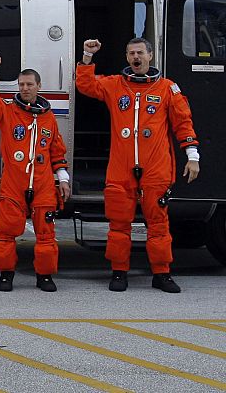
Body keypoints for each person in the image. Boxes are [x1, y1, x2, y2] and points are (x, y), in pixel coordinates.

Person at [76, 38, 200, 293]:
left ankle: (162, 273)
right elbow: (85, 85)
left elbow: (183, 124)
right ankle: (119, 272)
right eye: (131, 53)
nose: (136, 57)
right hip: (121, 169)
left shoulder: (167, 88)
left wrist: (193, 156)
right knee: (119, 223)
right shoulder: (115, 85)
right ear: (127, 57)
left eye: (140, 52)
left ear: (150, 56)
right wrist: (87, 56)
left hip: (156, 168)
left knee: (158, 224)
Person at [0, 55, 71, 292]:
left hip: (42, 182)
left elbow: (56, 150)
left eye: (30, 84)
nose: (25, 88)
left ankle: (44, 276)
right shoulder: (8, 112)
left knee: (45, 233)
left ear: (39, 86)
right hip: (14, 181)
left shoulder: (48, 117)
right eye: (21, 85)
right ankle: (6, 274)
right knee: (6, 231)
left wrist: (62, 178)